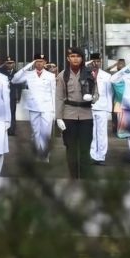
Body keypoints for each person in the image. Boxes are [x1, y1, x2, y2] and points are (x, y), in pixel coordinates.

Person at [54, 47, 98, 179]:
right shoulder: (63, 75)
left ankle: (85, 181)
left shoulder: (90, 74)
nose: (75, 59)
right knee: (71, 149)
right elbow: (59, 97)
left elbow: (96, 92)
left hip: (86, 115)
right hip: (69, 115)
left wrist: (93, 98)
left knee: (85, 149)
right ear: (68, 58)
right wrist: (59, 117)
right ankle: (73, 178)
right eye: (72, 56)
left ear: (82, 58)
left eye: (78, 56)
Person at [10, 53, 55, 162]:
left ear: (45, 63)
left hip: (47, 107)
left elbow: (53, 92)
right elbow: (14, 80)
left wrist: (54, 110)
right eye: (37, 61)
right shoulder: (28, 74)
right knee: (35, 132)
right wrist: (26, 67)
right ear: (34, 62)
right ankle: (36, 154)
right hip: (33, 106)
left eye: (41, 61)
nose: (39, 63)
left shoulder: (50, 75)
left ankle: (45, 155)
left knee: (46, 132)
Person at [90, 56, 114, 165]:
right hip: (89, 106)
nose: (96, 63)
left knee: (102, 132)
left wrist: (109, 109)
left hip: (102, 106)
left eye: (98, 61)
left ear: (101, 62)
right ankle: (92, 155)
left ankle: (101, 156)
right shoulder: (86, 73)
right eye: (93, 61)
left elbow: (110, 93)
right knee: (91, 132)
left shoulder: (107, 76)